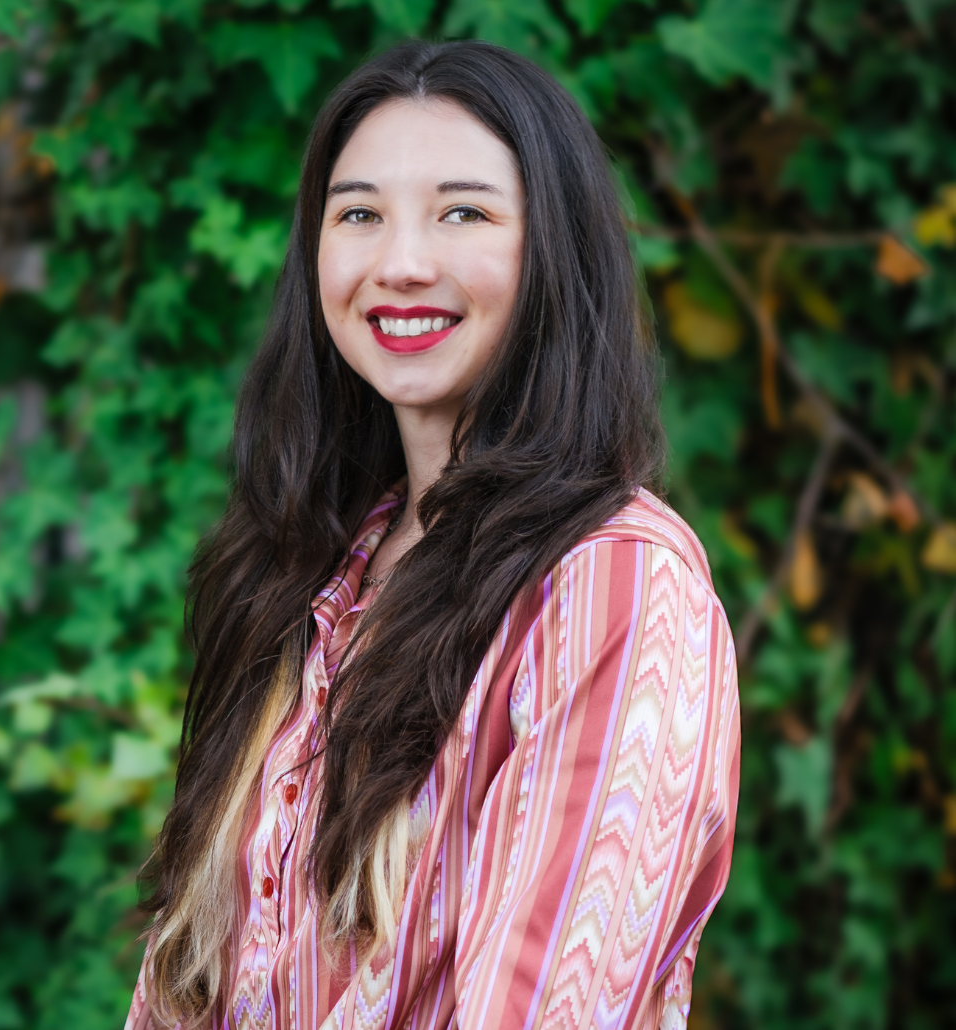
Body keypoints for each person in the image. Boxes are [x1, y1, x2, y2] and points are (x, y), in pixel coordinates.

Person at [125, 38, 740, 1030]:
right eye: (358, 213)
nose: (400, 264)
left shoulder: (612, 588)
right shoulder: (307, 574)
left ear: (551, 249)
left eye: (463, 212)